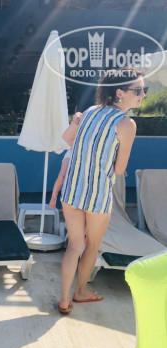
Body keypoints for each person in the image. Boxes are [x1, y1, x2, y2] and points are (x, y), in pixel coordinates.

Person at [57, 67, 146, 314]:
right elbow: (119, 169)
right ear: (120, 93)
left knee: (73, 246)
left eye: (144, 90)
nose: (143, 95)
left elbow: (68, 139)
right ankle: (80, 292)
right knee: (92, 245)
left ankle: (64, 300)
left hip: (72, 191)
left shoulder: (90, 111)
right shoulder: (126, 124)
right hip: (97, 195)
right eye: (138, 90)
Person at [48, 112, 83, 210]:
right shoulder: (80, 121)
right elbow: (62, 176)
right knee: (62, 175)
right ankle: (54, 197)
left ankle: (54, 197)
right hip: (72, 153)